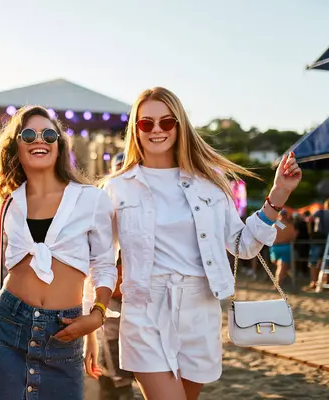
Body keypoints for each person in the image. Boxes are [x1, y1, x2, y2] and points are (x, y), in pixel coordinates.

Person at [102, 87, 301, 400]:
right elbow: (99, 260)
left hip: (201, 307)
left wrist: (279, 194)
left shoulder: (208, 184)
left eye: (166, 122)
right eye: (147, 123)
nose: (157, 130)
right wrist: (93, 316)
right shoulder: (117, 188)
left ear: (179, 126)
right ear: (135, 130)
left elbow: (243, 245)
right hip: (145, 309)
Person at [0, 105, 117, 400]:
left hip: (64, 333)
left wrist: (97, 316)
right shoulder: (5, 205)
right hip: (6, 328)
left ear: (59, 144)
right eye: (28, 134)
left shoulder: (91, 199)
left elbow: (104, 266)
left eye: (48, 134)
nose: (39, 140)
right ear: (15, 146)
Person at [96, 153, 135, 400]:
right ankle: (116, 386)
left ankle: (120, 386)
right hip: (111, 290)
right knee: (108, 342)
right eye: (118, 168)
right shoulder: (105, 199)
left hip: (134, 291)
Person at [270, 210, 298, 285]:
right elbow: (292, 237)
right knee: (281, 266)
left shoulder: (276, 223)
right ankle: (278, 283)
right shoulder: (288, 225)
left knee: (280, 266)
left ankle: (280, 280)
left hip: (274, 247)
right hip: (285, 247)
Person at [308, 199, 329, 290]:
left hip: (318, 238)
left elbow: (309, 219)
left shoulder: (320, 212)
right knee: (326, 262)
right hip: (327, 240)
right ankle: (324, 282)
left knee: (313, 261)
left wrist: (310, 232)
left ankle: (314, 282)